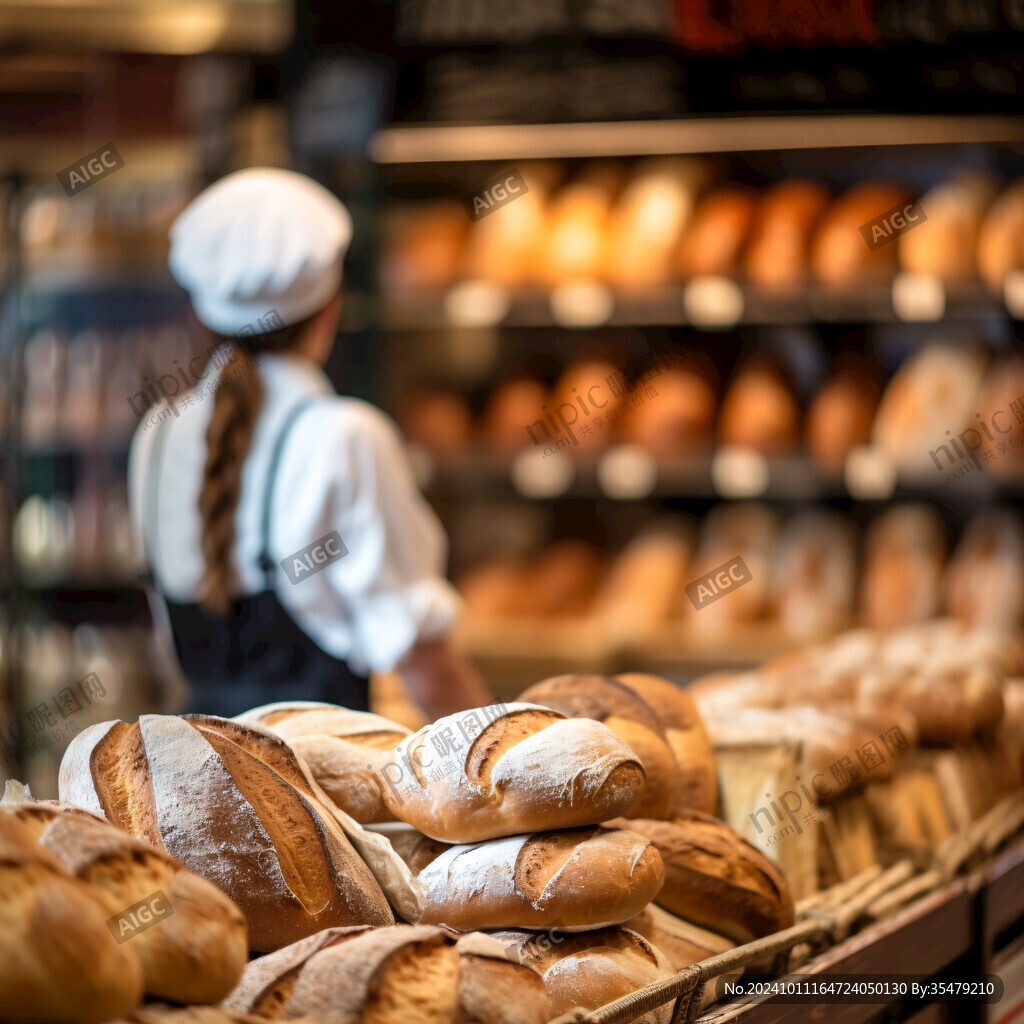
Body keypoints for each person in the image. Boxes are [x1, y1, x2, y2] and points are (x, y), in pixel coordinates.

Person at [127, 167, 492, 720]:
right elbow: (423, 662)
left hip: (190, 777)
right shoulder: (344, 437)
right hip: (316, 794)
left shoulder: (155, 433)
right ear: (330, 310)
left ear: (199, 316)